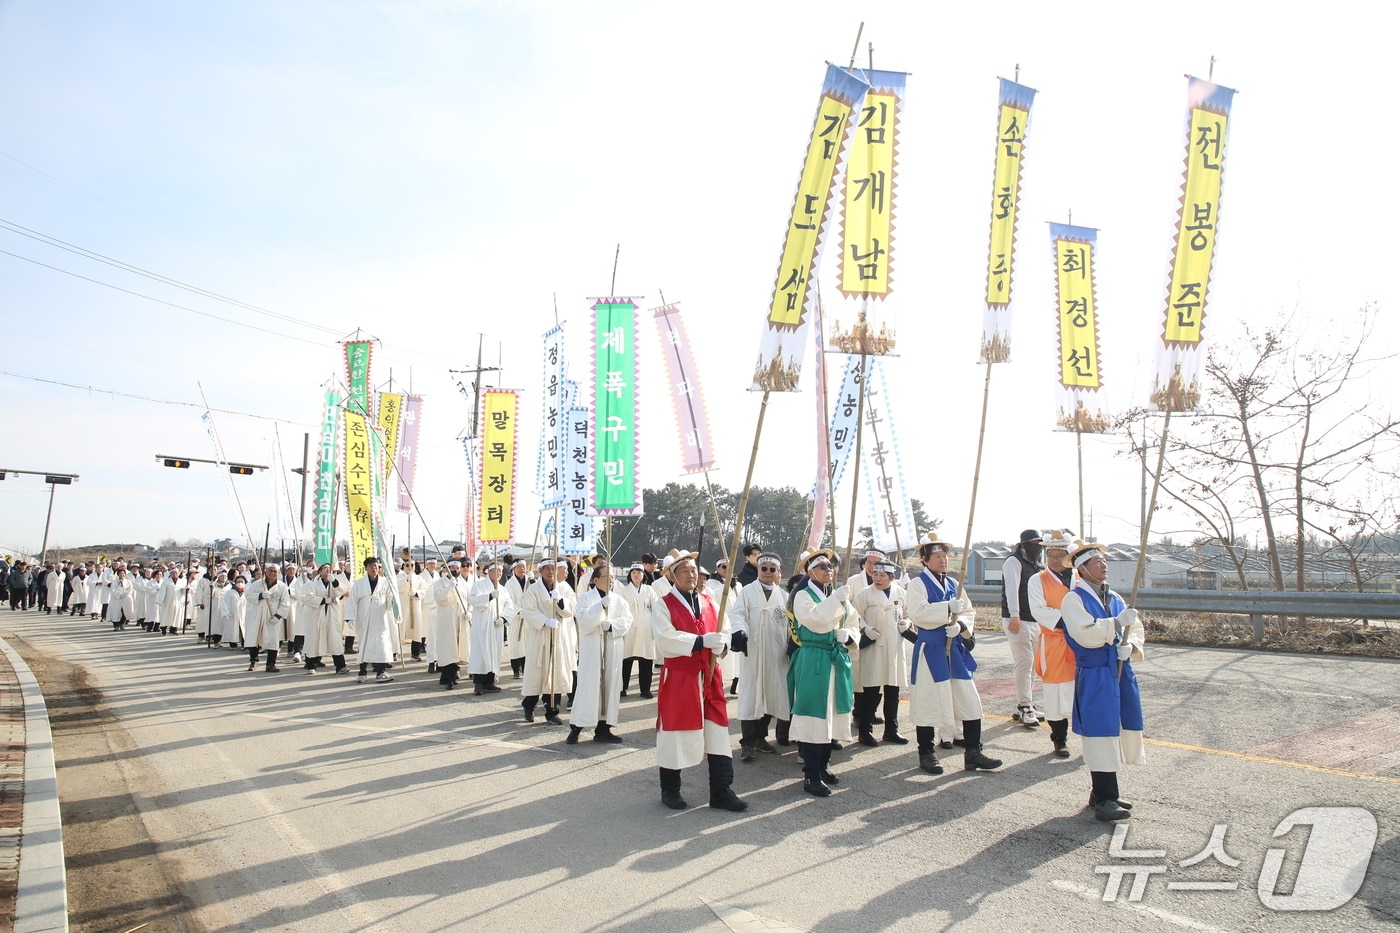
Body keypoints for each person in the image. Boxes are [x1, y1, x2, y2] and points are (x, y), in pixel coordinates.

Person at [651, 552, 745, 811]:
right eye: (685, 571)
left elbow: (724, 629)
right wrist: (701, 641)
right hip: (680, 677)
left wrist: (722, 642)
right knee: (675, 734)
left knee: (717, 732)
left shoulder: (710, 600)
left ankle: (721, 790)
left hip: (709, 674)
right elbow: (665, 639)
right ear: (672, 575)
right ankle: (670, 789)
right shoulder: (664, 604)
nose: (692, 575)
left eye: (694, 571)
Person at [1059, 541, 1146, 822]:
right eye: (1097, 562)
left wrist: (1130, 646)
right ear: (1082, 570)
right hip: (1095, 672)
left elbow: (1135, 629)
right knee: (1100, 732)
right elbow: (1084, 633)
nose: (1104, 565)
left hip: (1118, 668)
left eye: (1104, 561)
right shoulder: (1073, 599)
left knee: (1118, 728)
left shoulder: (1115, 597)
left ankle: (1102, 792)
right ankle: (1106, 798)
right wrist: (1116, 626)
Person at [906, 533, 1001, 775]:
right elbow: (917, 613)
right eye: (937, 556)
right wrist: (946, 608)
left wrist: (960, 626)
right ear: (925, 560)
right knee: (928, 701)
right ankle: (926, 753)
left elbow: (969, 611)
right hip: (931, 649)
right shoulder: (918, 584)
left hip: (954, 649)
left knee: (969, 699)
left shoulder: (953, 584)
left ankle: (973, 751)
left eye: (945, 556)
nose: (943, 560)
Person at [786, 549, 859, 797]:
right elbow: (815, 620)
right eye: (822, 567)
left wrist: (849, 636)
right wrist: (836, 601)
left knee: (833, 714)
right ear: (810, 572)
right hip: (813, 658)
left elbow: (853, 623)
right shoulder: (803, 596)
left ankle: (824, 765)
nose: (828, 570)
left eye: (830, 567)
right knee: (813, 716)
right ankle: (811, 773)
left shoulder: (838, 596)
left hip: (836, 657)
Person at [729, 552, 791, 761]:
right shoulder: (747, 592)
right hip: (753, 652)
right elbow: (736, 614)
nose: (767, 572)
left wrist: (792, 646)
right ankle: (747, 741)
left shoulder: (783, 597)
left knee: (773, 693)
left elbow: (790, 625)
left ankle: (760, 737)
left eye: (772, 569)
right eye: (763, 568)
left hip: (776, 654)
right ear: (758, 570)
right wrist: (739, 631)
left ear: (778, 572)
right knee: (750, 695)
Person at [1027, 530, 1079, 759]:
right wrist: (1071, 621)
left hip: (1083, 642)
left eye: (1060, 555)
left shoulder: (1081, 576)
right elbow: (1039, 610)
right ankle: (1059, 738)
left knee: (1082, 690)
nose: (1055, 560)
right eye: (1051, 556)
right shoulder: (1037, 580)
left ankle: (1090, 737)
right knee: (1056, 694)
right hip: (1056, 641)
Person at [569, 563, 632, 743]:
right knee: (589, 685)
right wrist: (599, 607)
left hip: (612, 648)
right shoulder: (585, 598)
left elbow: (627, 620)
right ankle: (576, 727)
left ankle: (603, 728)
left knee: (609, 685)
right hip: (592, 649)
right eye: (607, 577)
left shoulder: (619, 600)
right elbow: (583, 621)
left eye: (613, 577)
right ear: (596, 580)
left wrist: (612, 625)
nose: (611, 581)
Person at [851, 559, 911, 746]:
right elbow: (852, 615)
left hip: (894, 648)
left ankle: (891, 730)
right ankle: (865, 730)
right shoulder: (865, 594)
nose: (877, 578)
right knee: (871, 690)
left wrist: (907, 623)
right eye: (875, 574)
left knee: (893, 691)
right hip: (874, 648)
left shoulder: (901, 593)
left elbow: (909, 614)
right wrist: (865, 627)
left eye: (882, 575)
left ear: (891, 577)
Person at [520, 560, 575, 724]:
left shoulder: (563, 587)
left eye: (553, 569)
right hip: (540, 636)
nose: (551, 572)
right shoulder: (534, 590)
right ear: (540, 571)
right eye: (547, 569)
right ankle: (528, 705)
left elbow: (572, 609)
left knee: (555, 673)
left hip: (558, 636)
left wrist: (560, 601)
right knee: (537, 673)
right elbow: (528, 611)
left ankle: (552, 711)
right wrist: (544, 621)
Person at [1002, 529, 1045, 727]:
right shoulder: (1013, 561)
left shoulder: (1037, 564)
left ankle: (1026, 702)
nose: (1038, 547)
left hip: (1034, 619)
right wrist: (1014, 615)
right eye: (1034, 543)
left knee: (1034, 662)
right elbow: (1012, 589)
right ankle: (1024, 706)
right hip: (1017, 619)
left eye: (1040, 543)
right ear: (1024, 543)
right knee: (1024, 661)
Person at [346, 557, 399, 683]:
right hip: (364, 616)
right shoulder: (359, 583)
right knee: (364, 643)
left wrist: (394, 606)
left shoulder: (385, 582)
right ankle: (362, 672)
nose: (373, 568)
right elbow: (352, 601)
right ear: (366, 568)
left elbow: (390, 599)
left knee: (381, 643)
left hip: (380, 616)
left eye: (375, 566)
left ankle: (381, 672)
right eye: (370, 566)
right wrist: (349, 617)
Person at [468, 561, 515, 695]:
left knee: (494, 652)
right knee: (480, 653)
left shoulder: (503, 589)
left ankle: (490, 681)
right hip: (482, 625)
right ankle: (478, 683)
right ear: (489, 572)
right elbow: (474, 600)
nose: (499, 574)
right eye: (496, 571)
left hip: (495, 626)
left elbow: (509, 606)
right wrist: (489, 596)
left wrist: (504, 618)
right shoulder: (479, 585)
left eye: (501, 571)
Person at [298, 562, 350, 673]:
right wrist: (322, 600)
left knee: (335, 639)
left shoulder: (334, 583)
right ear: (320, 572)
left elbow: (343, 591)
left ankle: (340, 666)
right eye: (325, 568)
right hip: (317, 615)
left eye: (329, 569)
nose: (327, 570)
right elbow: (306, 598)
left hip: (332, 615)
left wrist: (334, 582)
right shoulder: (312, 585)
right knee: (316, 638)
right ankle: (312, 665)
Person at [618, 564, 657, 698]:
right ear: (630, 575)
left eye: (639, 572)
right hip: (629, 628)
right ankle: (622, 687)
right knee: (626, 659)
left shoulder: (649, 590)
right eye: (633, 572)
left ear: (643, 575)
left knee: (646, 659)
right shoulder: (624, 591)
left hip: (646, 627)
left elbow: (656, 608)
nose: (636, 574)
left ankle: (645, 689)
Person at [430, 560, 470, 689]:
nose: (456, 570)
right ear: (446, 569)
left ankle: (455, 671)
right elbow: (440, 598)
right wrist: (450, 587)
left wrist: (469, 611)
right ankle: (447, 676)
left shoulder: (463, 583)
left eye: (458, 568)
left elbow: (469, 599)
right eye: (453, 567)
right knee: (448, 647)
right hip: (447, 620)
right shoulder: (439, 583)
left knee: (458, 646)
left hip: (460, 619)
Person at [243, 564, 290, 671]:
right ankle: (253, 661)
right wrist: (260, 595)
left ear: (279, 573)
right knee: (254, 637)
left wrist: (278, 616)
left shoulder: (282, 587)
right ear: (266, 572)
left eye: (275, 571)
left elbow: (285, 603)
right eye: (271, 571)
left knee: (273, 639)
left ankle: (271, 664)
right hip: (257, 614)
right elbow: (248, 595)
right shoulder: (257, 584)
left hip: (272, 615)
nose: (273, 573)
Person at [502, 559, 530, 678]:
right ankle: (516, 669)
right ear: (514, 569)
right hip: (516, 618)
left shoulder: (531, 581)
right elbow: (509, 601)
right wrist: (519, 611)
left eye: (523, 566)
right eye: (519, 567)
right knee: (516, 643)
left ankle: (526, 668)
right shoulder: (510, 584)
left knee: (527, 643)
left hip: (528, 618)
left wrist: (528, 610)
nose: (522, 569)